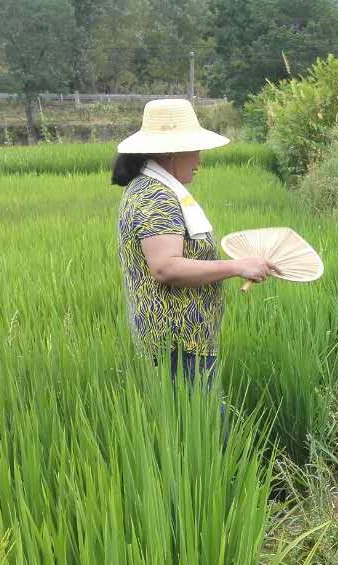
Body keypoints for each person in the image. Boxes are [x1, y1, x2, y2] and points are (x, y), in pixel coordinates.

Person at [112, 99, 275, 387]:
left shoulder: (155, 187)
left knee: (193, 424)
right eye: (196, 150)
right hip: (176, 344)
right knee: (202, 424)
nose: (199, 161)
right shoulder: (155, 195)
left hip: (183, 342)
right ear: (173, 152)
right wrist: (237, 266)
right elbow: (166, 267)